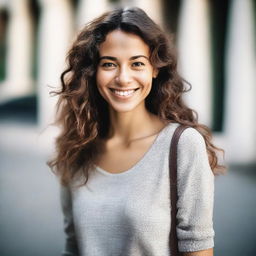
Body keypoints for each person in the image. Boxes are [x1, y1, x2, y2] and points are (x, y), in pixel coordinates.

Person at [48, 7, 224, 256]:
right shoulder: (76, 148)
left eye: (137, 63)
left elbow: (199, 249)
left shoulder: (183, 145)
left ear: (155, 69)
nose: (123, 78)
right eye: (109, 64)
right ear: (93, 71)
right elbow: (74, 247)